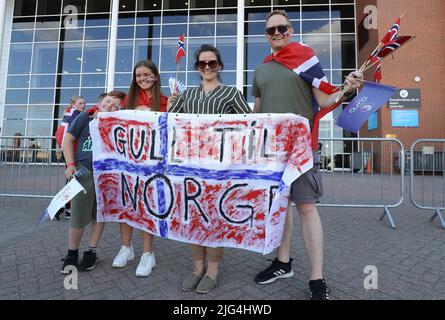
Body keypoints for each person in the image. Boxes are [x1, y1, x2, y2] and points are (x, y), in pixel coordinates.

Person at [251, 10, 363, 300]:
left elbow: (324, 99)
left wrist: (347, 88)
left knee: (306, 208)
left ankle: (317, 279)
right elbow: (258, 111)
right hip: (271, 151)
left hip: (301, 148)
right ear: (266, 35)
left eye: (282, 28)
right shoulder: (261, 69)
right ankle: (283, 262)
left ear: (290, 30)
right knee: (280, 207)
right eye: (271, 30)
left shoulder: (305, 57)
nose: (276, 33)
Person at [169, 44, 252, 294]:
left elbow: (248, 126)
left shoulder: (231, 94)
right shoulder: (187, 96)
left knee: (213, 219)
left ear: (219, 66)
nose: (207, 67)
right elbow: (170, 125)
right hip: (191, 168)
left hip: (220, 168)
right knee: (193, 218)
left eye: (212, 63)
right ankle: (197, 268)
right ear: (196, 67)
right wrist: (171, 105)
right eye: (202, 63)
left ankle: (213, 270)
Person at [111, 60, 168, 277]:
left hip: (151, 165)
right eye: (138, 75)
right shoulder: (126, 100)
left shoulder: (164, 101)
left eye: (147, 74)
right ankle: (126, 248)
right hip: (127, 162)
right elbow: (105, 109)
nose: (142, 79)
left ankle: (147, 253)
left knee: (146, 207)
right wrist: (97, 114)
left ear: (155, 75)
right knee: (127, 205)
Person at [60, 91, 126, 274]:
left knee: (99, 214)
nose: (110, 106)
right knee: (79, 215)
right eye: (107, 102)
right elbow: (68, 140)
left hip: (106, 174)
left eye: (115, 106)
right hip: (85, 171)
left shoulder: (117, 123)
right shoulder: (85, 117)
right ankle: (72, 253)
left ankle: (91, 251)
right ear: (99, 102)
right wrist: (71, 164)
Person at [55, 96, 86, 220]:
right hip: (72, 153)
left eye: (84, 103)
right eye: (80, 103)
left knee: (73, 180)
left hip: (69, 152)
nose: (82, 105)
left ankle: (64, 207)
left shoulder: (68, 114)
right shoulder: (75, 114)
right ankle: (63, 207)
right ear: (73, 104)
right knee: (73, 180)